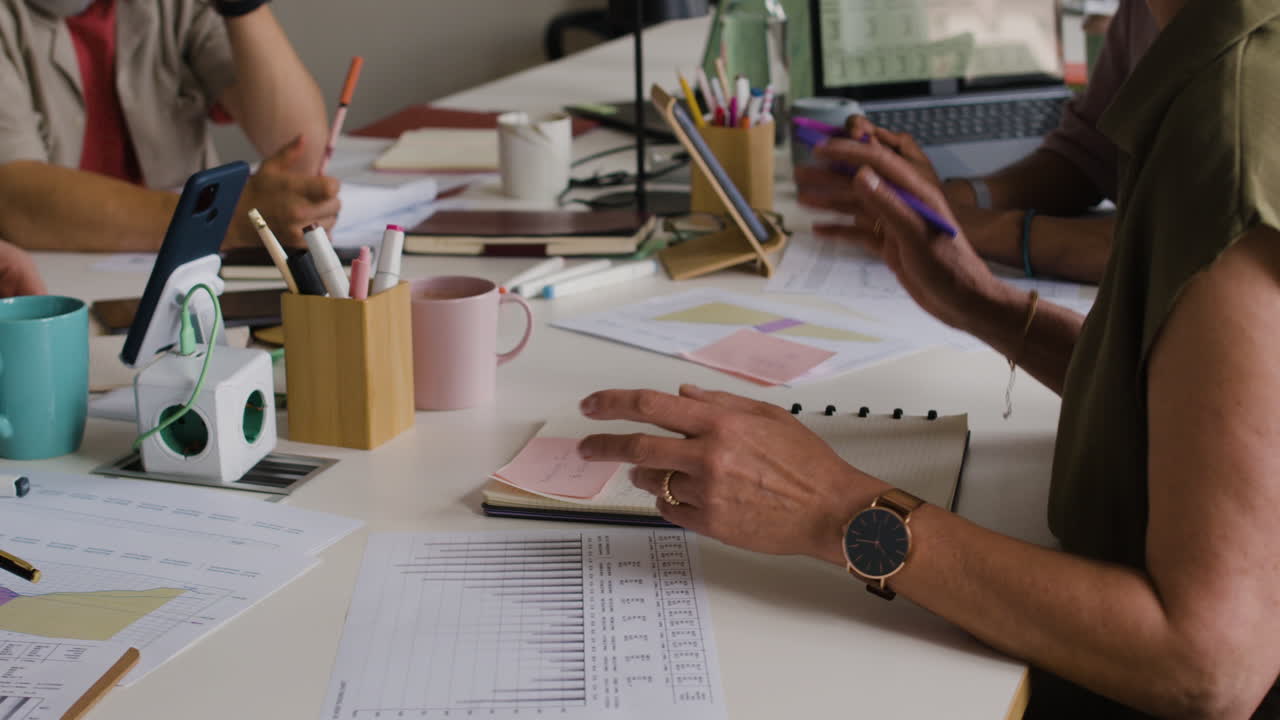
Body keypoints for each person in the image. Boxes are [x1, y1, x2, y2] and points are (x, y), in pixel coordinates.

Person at [576, 0, 1280, 715]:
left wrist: (830, 508)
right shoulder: (1211, 53)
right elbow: (1192, 404)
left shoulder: (1232, 115)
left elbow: (1207, 665)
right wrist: (980, 303)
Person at [0, 0, 338, 252]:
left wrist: (242, 6)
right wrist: (221, 218)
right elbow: (16, 198)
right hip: (52, 288)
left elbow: (298, 149)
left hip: (183, 271)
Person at [872, 0, 1159, 284]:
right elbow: (1088, 157)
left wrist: (960, 225)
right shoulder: (1140, 9)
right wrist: (944, 198)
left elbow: (1167, 246)